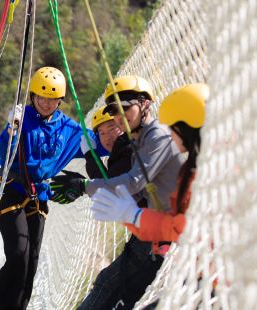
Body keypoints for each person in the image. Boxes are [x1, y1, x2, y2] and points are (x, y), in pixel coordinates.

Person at [50, 76, 185, 309]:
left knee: (110, 288)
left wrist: (84, 186)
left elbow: (132, 183)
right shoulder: (140, 140)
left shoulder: (157, 136)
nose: (118, 117)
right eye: (113, 111)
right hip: (154, 232)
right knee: (110, 287)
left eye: (124, 109)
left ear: (145, 104)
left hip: (167, 235)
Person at [0, 66, 104, 310]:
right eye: (41, 97)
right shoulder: (22, 120)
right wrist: (11, 129)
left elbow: (102, 144)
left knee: (31, 261)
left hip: (38, 196)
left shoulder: (69, 130)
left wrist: (114, 136)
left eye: (52, 99)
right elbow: (2, 152)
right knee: (19, 254)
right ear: (33, 95)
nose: (45, 103)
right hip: (10, 189)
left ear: (60, 100)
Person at [90, 83, 208, 245]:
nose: (169, 135)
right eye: (113, 111)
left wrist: (135, 216)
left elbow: (181, 229)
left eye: (172, 128)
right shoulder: (195, 168)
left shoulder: (204, 173)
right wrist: (131, 215)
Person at [85, 106, 127, 179]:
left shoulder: (130, 153)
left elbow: (108, 187)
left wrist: (90, 156)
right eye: (102, 133)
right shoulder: (116, 158)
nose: (107, 137)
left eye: (111, 129)